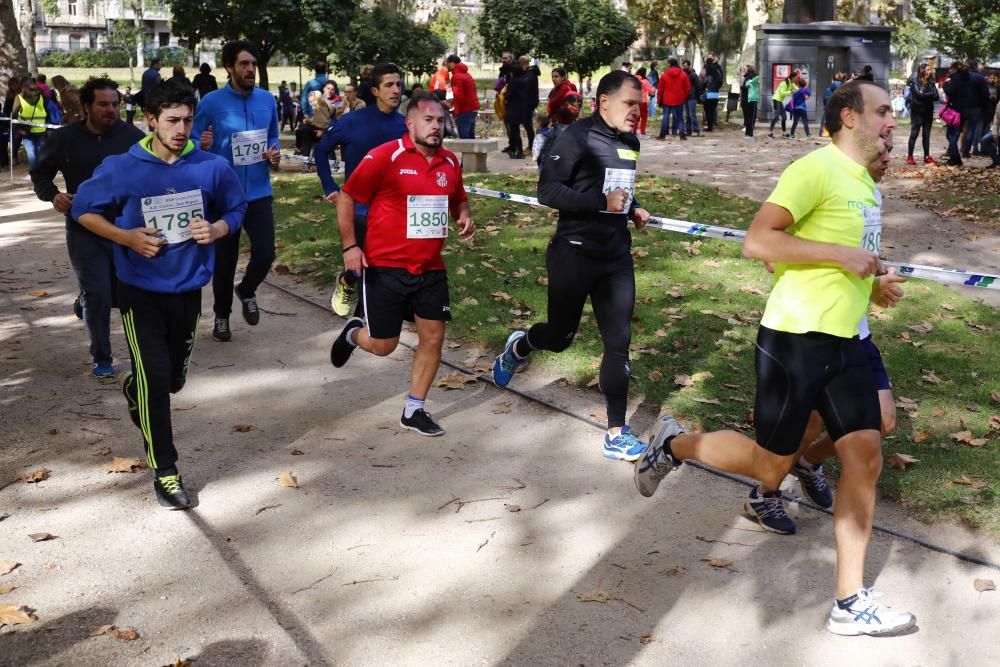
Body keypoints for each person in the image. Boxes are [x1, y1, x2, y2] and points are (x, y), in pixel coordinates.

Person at [635, 80, 916, 637]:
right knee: (770, 467)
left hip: (849, 344)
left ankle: (849, 601)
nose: (892, 122)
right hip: (796, 341)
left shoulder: (866, 184)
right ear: (849, 117)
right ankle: (672, 443)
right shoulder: (815, 169)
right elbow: (759, 243)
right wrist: (842, 256)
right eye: (883, 111)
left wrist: (873, 281)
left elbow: (837, 255)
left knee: (865, 455)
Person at [71, 80, 247, 509]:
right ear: (150, 120)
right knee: (154, 380)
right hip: (139, 291)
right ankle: (165, 470)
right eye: (172, 120)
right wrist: (125, 238)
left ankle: (138, 389)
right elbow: (83, 211)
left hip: (188, 290)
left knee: (172, 381)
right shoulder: (123, 167)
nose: (181, 128)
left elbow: (235, 208)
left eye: (188, 120)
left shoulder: (211, 167)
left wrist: (219, 228)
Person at [742, 133, 903, 530]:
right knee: (798, 430)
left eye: (891, 149)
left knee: (882, 422)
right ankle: (760, 491)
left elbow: (862, 262)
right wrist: (834, 256)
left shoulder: (871, 196)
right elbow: (764, 250)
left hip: (852, 332)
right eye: (882, 145)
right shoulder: (818, 172)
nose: (888, 155)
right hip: (804, 330)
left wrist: (875, 288)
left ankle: (808, 462)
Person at [492, 71, 651, 461]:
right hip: (573, 253)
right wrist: (602, 202)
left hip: (615, 258)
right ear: (604, 102)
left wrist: (634, 207)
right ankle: (521, 345)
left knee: (619, 342)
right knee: (561, 337)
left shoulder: (630, 142)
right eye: (630, 104)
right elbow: (548, 190)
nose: (636, 112)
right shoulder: (576, 136)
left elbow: (620, 187)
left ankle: (616, 432)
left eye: (640, 105)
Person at [328, 93, 475, 436]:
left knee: (434, 337)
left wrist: (464, 217)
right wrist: (351, 246)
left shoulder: (450, 163)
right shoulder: (385, 156)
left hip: (430, 268)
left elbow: (458, 199)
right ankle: (353, 333)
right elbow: (347, 197)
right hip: (385, 266)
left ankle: (414, 409)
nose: (436, 126)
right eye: (428, 120)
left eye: (440, 120)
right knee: (384, 346)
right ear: (410, 123)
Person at [30, 75, 146, 379]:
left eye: (115, 104)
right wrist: (54, 196)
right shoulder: (64, 139)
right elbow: (40, 174)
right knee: (98, 294)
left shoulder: (132, 137)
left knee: (126, 295)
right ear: (86, 106)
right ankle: (103, 357)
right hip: (84, 228)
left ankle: (137, 350)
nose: (111, 110)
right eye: (103, 104)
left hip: (124, 228)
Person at [192, 40, 281, 342]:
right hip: (223, 196)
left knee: (266, 253)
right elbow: (189, 139)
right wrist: (200, 145)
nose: (251, 70)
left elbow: (273, 138)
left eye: (253, 64)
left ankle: (247, 289)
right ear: (229, 68)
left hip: (258, 192)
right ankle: (221, 317)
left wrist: (274, 153)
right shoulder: (211, 103)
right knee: (225, 261)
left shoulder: (267, 100)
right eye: (244, 64)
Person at [314, 63, 407, 318]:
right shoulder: (352, 122)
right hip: (358, 208)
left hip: (392, 210)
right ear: (375, 91)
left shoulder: (405, 126)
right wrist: (330, 186)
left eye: (398, 84)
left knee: (377, 267)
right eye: (389, 85)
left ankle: (361, 320)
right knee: (361, 265)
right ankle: (347, 282)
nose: (396, 90)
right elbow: (320, 150)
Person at [11, 77, 50, 170]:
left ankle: (34, 173)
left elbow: (14, 113)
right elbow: (47, 110)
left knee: (31, 152)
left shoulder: (19, 97)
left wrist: (17, 126)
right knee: (41, 151)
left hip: (25, 128)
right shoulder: (42, 96)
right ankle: (43, 172)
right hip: (41, 128)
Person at [505, 56, 540, 159]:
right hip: (525, 104)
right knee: (524, 126)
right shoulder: (526, 75)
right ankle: (519, 147)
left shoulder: (529, 75)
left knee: (526, 125)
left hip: (526, 104)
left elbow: (527, 90)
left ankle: (530, 146)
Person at [906, 64, 938, 165]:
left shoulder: (931, 82)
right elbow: (918, 95)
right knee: (914, 134)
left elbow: (937, 97)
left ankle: (927, 156)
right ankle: (910, 156)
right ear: (922, 71)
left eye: (930, 70)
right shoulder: (914, 81)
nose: (929, 72)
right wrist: (930, 95)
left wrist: (926, 95)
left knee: (926, 135)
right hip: (917, 111)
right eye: (927, 70)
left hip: (928, 111)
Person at [942, 62, 970, 166]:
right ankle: (955, 157)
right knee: (955, 134)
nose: (949, 70)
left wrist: (945, 85)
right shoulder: (967, 78)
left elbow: (950, 91)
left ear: (955, 69)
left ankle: (955, 158)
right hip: (965, 110)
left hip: (955, 111)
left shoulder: (955, 78)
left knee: (951, 135)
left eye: (951, 68)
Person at [446, 54, 480, 139]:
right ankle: (472, 152)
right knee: (471, 137)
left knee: (465, 140)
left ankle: (469, 152)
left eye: (448, 63)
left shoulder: (457, 76)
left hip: (465, 110)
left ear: (453, 63)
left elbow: (459, 96)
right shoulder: (467, 74)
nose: (446, 65)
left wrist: (457, 112)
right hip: (473, 109)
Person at [961, 59, 990, 158]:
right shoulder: (980, 78)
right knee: (972, 129)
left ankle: (954, 150)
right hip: (975, 107)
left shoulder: (962, 76)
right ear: (976, 67)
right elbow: (985, 94)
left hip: (962, 106)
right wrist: (984, 105)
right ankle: (966, 151)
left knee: (960, 129)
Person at [656, 58, 690, 140]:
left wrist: (659, 99)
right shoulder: (683, 74)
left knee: (666, 117)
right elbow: (687, 88)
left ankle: (662, 135)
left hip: (667, 99)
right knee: (680, 117)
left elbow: (660, 88)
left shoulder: (664, 75)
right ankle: (682, 135)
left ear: (670, 64)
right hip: (679, 98)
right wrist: (683, 97)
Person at [769, 71, 796, 138]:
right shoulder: (784, 83)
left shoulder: (791, 83)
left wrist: (803, 90)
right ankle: (770, 133)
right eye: (796, 78)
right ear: (792, 77)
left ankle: (784, 133)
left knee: (784, 117)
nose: (796, 79)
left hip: (780, 101)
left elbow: (797, 89)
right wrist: (791, 91)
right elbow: (782, 93)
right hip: (776, 99)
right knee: (776, 117)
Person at [701, 55, 724, 131]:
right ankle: (712, 125)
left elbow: (703, 84)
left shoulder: (707, 76)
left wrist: (702, 90)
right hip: (715, 94)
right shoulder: (717, 75)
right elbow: (720, 82)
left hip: (708, 94)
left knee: (707, 111)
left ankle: (709, 126)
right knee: (712, 110)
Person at [820, 72, 845, 137]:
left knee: (825, 120)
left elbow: (824, 100)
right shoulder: (843, 89)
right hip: (838, 108)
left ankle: (824, 133)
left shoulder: (828, 89)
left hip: (828, 108)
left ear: (833, 80)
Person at [681, 60, 701, 137]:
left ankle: (696, 130)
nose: (684, 67)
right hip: (685, 97)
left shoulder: (693, 75)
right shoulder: (683, 75)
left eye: (685, 66)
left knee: (692, 114)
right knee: (687, 115)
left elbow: (698, 86)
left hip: (692, 97)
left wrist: (698, 96)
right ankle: (688, 130)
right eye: (683, 66)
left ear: (689, 66)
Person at [635, 67, 655, 137]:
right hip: (643, 101)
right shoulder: (645, 81)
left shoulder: (633, 80)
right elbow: (651, 91)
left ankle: (633, 131)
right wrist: (653, 88)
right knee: (644, 117)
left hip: (635, 101)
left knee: (636, 117)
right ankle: (642, 131)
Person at [742, 65, 760, 139]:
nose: (744, 71)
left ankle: (747, 134)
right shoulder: (755, 77)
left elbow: (744, 87)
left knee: (748, 118)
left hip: (746, 99)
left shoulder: (747, 78)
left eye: (744, 69)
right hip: (752, 99)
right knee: (751, 117)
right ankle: (750, 134)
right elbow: (746, 87)